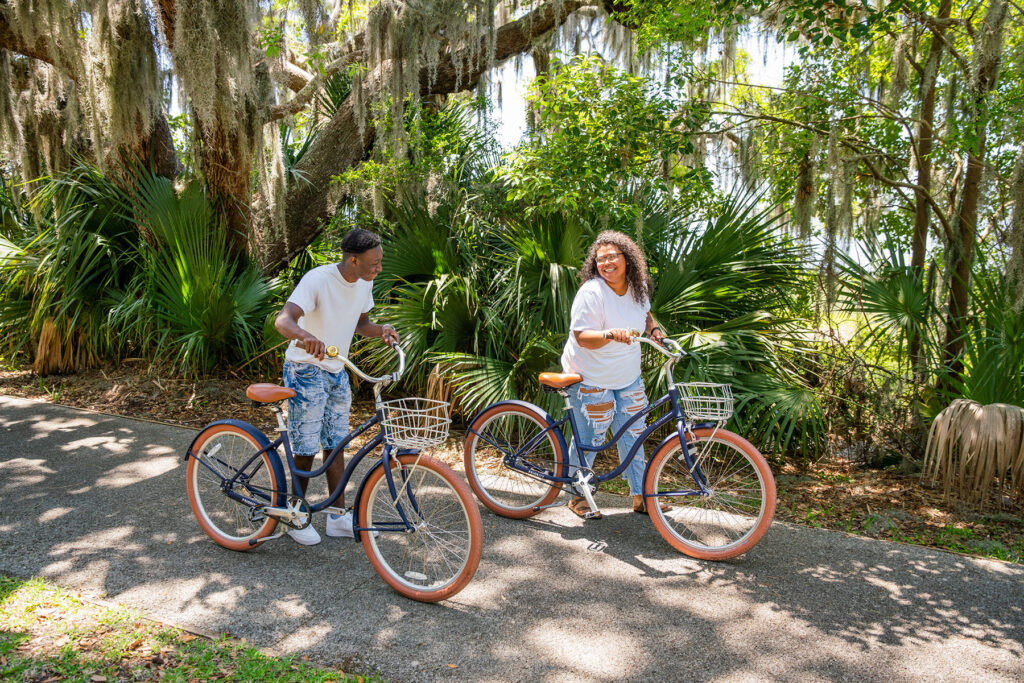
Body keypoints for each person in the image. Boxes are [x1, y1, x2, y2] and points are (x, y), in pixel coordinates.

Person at [273, 227, 400, 545]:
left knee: (336, 443)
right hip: (305, 368)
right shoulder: (318, 279)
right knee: (305, 446)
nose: (379, 268)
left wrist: (381, 329)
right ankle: (295, 515)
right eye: (374, 263)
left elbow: (361, 324)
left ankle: (337, 517)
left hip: (336, 369)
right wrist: (306, 336)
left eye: (380, 262)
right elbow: (283, 320)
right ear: (353, 260)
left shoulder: (364, 281)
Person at [560, 230, 669, 519]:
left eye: (612, 257)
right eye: (600, 259)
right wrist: (609, 333)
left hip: (628, 376)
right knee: (591, 436)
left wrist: (654, 329)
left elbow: (644, 314)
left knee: (634, 432)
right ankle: (577, 495)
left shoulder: (639, 287)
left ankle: (641, 496)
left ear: (628, 258)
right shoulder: (592, 292)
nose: (606, 263)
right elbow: (582, 336)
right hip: (588, 375)